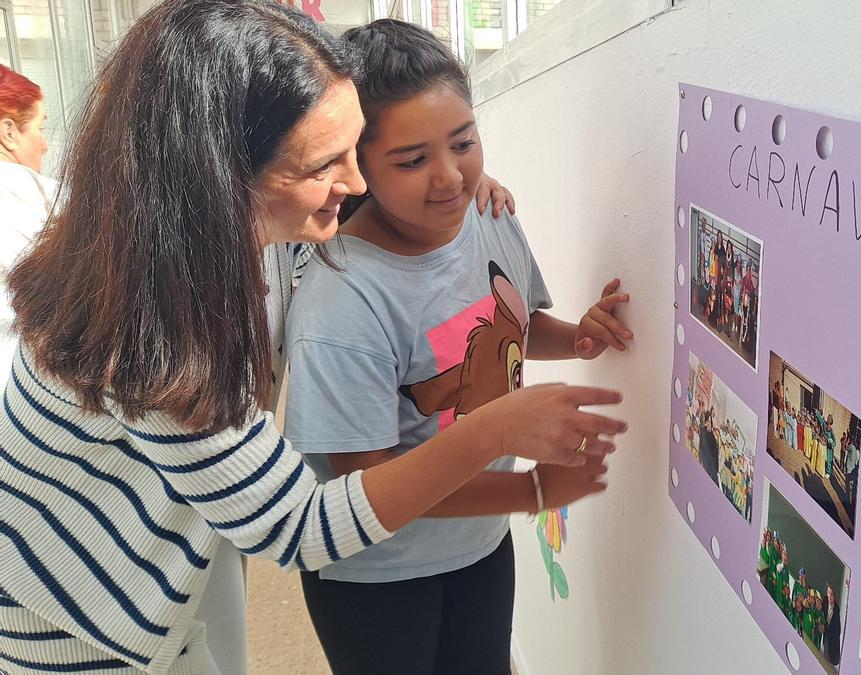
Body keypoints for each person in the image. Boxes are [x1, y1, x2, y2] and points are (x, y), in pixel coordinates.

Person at [0, 2, 627, 673]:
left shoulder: (243, 234)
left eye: (358, 152)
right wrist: (500, 440)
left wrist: (449, 182)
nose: (356, 183)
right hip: (77, 616)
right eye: (329, 162)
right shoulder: (156, 327)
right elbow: (300, 524)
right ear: (227, 173)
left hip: (162, 571)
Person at [279, 19, 632, 673]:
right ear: (357, 166)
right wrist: (531, 494)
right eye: (412, 160)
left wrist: (577, 338)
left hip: (477, 545)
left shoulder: (490, 218)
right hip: (376, 576)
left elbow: (515, 330)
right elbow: (366, 488)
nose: (449, 177)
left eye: (463, 143)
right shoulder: (341, 301)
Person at [0, 64, 54, 385]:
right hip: (20, 382)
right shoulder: (23, 191)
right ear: (8, 133)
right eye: (40, 128)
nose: (45, 144)